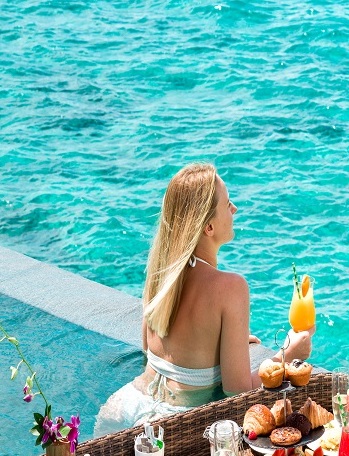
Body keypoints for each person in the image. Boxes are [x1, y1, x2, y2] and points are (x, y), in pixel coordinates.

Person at [94, 162, 313, 435]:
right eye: (228, 203)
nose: (235, 209)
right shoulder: (231, 288)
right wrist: (289, 355)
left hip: (124, 405)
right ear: (208, 226)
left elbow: (151, 352)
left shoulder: (161, 271)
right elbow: (238, 393)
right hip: (169, 427)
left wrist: (221, 343)